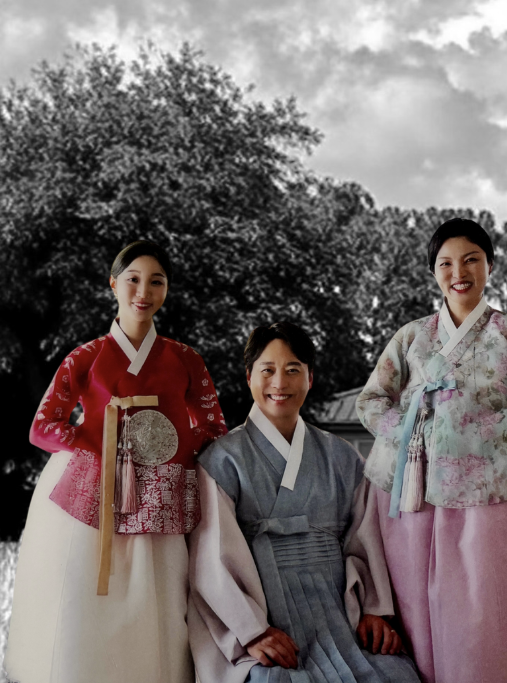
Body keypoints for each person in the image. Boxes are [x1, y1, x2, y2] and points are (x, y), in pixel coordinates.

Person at [356, 218, 507, 683]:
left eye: (472, 259)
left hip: (501, 483)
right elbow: (371, 400)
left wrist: (499, 430)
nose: (460, 272)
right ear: (434, 272)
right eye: (447, 263)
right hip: (421, 487)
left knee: (493, 603)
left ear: (490, 265)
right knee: (425, 601)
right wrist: (415, 435)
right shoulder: (411, 336)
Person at [6, 240, 228, 683]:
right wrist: (95, 449)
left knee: (156, 594)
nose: (143, 291)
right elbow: (42, 426)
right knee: (85, 595)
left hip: (160, 489)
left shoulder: (186, 359)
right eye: (133, 279)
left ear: (166, 290)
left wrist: (171, 451)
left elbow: (214, 427)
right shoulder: (85, 357)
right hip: (93, 485)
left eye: (156, 281)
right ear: (113, 284)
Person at [187, 322, 420, 683]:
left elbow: (365, 538)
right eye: (268, 370)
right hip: (267, 620)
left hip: (341, 616)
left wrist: (375, 610)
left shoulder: (342, 457)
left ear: (310, 378)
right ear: (249, 377)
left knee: (394, 675)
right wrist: (251, 633)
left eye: (293, 370)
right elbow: (212, 560)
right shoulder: (222, 461)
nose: (280, 383)